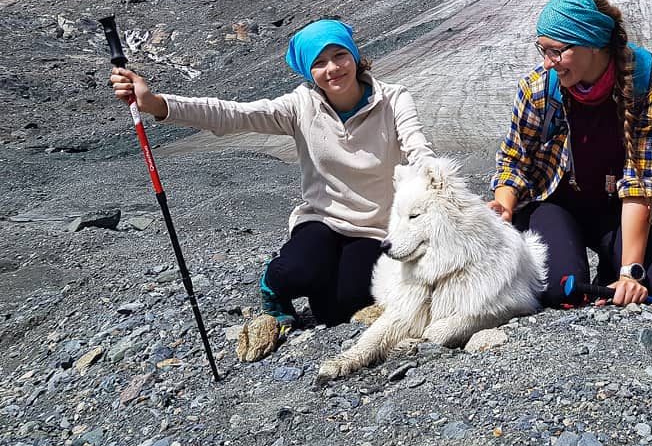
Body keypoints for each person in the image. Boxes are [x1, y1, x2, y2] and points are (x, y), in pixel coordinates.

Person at [109, 18, 434, 340]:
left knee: (338, 310)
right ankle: (274, 284)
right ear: (308, 72)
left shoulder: (393, 99)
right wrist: (155, 103)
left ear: (354, 55)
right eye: (319, 62)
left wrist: (440, 186)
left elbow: (418, 148)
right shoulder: (300, 106)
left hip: (376, 228)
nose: (333, 68)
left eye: (339, 55)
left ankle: (326, 287)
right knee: (298, 272)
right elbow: (233, 114)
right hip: (323, 220)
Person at [490, 0, 652, 307]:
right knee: (558, 289)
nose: (548, 62)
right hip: (554, 202)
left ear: (592, 43)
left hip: (615, 205)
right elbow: (514, 161)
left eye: (557, 51)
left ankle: (611, 275)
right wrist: (505, 204)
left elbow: (641, 182)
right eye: (543, 50)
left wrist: (630, 273)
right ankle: (599, 281)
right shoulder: (537, 89)